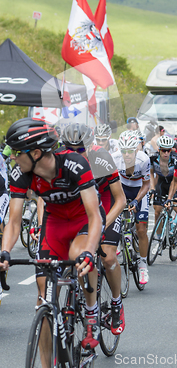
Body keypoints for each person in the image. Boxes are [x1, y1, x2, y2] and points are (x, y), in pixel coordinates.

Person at [0, 118, 103, 349]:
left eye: (17, 152)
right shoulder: (21, 174)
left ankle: (90, 314)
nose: (13, 157)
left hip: (83, 219)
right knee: (44, 294)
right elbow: (14, 222)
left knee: (79, 256)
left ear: (36, 153)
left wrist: (89, 251)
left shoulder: (74, 164)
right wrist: (5, 251)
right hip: (55, 222)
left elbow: (95, 215)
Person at [61, 123, 127, 335]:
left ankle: (116, 304)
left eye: (80, 150)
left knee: (107, 256)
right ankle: (89, 305)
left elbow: (121, 200)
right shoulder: (60, 160)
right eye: (69, 149)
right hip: (81, 206)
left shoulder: (101, 159)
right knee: (79, 256)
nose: (74, 154)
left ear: (90, 146)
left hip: (106, 203)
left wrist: (101, 226)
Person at [112, 130, 151, 285]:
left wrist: (135, 200)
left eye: (130, 151)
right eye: (124, 151)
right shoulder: (114, 159)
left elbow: (147, 185)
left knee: (141, 229)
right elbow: (110, 183)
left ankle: (143, 264)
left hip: (138, 189)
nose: (126, 155)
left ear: (136, 149)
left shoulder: (144, 159)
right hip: (121, 187)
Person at [150, 134, 177, 226]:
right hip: (161, 183)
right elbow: (151, 174)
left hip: (173, 183)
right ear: (159, 149)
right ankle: (158, 237)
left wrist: (170, 198)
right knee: (157, 212)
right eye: (163, 150)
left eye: (168, 150)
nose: (166, 153)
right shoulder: (153, 159)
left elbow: (176, 181)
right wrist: (152, 188)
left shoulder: (176, 159)